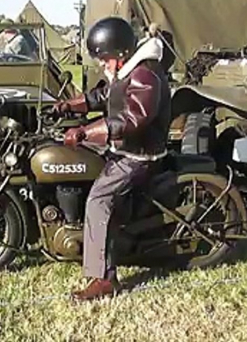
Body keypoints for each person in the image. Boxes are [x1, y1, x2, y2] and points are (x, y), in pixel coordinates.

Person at [52, 16, 171, 301]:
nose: (103, 64)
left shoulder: (146, 74)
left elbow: (133, 118)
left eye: (104, 58)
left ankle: (105, 280)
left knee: (99, 198)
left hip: (139, 154)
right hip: (124, 147)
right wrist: (70, 105)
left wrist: (85, 131)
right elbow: (107, 95)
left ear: (119, 53)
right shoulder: (129, 70)